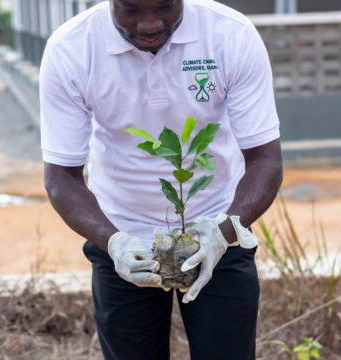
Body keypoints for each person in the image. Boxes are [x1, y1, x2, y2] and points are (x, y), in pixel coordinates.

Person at [39, 0, 283, 359]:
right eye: (131, 9)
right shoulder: (71, 49)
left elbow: (265, 160)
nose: (150, 24)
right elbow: (61, 177)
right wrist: (114, 242)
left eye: (166, 7)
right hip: (121, 239)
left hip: (217, 231)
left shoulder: (230, 34)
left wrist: (222, 231)